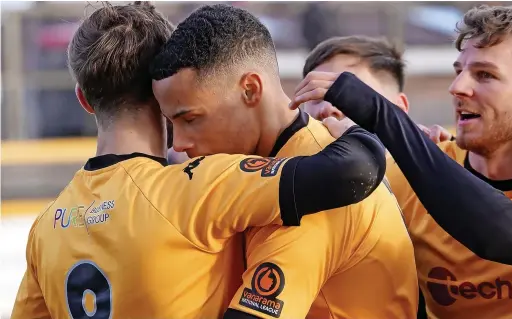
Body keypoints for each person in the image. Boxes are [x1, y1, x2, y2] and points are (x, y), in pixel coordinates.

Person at [9, 3, 390, 319]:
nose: (186, 142)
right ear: (157, 91)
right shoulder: (198, 187)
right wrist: (355, 126)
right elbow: (350, 171)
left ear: (84, 98)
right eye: (184, 119)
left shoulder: (45, 228)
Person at [292, 5, 512, 319]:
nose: (457, 87)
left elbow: (500, 229)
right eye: (458, 71)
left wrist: (383, 117)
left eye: (485, 75)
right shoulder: (407, 174)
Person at [150, 5, 418, 319]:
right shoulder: (273, 171)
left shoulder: (314, 190)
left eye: (191, 119)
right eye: (171, 125)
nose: (179, 144)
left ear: (250, 89)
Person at [301, 34, 429, 319]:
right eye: (315, 94)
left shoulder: (441, 184)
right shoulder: (281, 189)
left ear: (399, 109)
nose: (327, 107)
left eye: (346, 92)